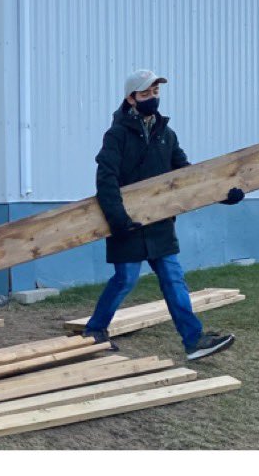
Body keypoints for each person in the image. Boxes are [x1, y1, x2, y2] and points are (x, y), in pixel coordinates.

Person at [84, 71, 244, 362]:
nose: (152, 99)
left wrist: (222, 194)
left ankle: (194, 340)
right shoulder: (117, 135)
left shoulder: (166, 135)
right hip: (127, 225)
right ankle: (95, 330)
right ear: (131, 98)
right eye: (146, 94)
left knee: (174, 279)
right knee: (125, 280)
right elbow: (106, 179)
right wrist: (118, 220)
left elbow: (186, 177)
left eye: (155, 93)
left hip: (159, 225)